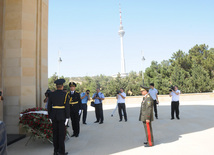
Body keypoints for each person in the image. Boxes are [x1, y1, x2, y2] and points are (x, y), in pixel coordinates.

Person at [48, 79, 70, 155]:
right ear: (62, 86)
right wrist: (67, 117)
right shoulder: (65, 94)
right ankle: (61, 152)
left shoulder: (51, 94)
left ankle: (55, 151)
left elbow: (49, 106)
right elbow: (67, 107)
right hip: (62, 116)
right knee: (61, 134)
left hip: (53, 116)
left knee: (55, 134)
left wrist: (50, 116)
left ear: (56, 86)